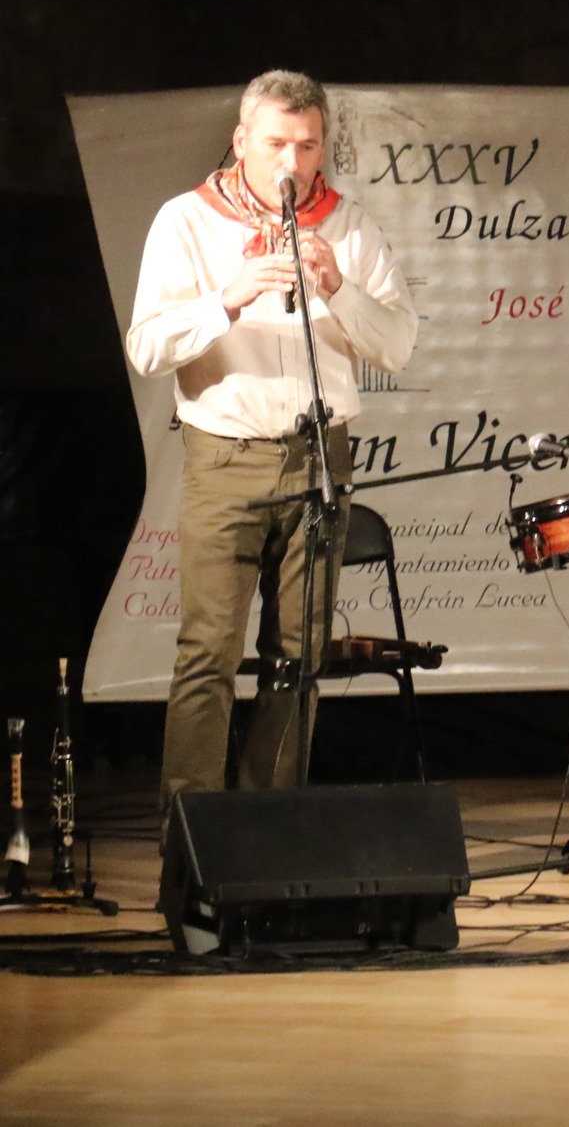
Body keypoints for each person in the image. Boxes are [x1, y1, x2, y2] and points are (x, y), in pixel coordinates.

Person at [127, 70, 418, 820]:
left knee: (299, 658)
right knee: (208, 656)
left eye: (307, 145)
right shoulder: (186, 221)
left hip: (321, 454)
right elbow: (147, 346)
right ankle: (190, 843)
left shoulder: (348, 226)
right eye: (277, 144)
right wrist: (225, 297)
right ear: (242, 141)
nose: (292, 162)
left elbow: (397, 346)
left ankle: (268, 828)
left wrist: (338, 288)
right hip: (227, 456)